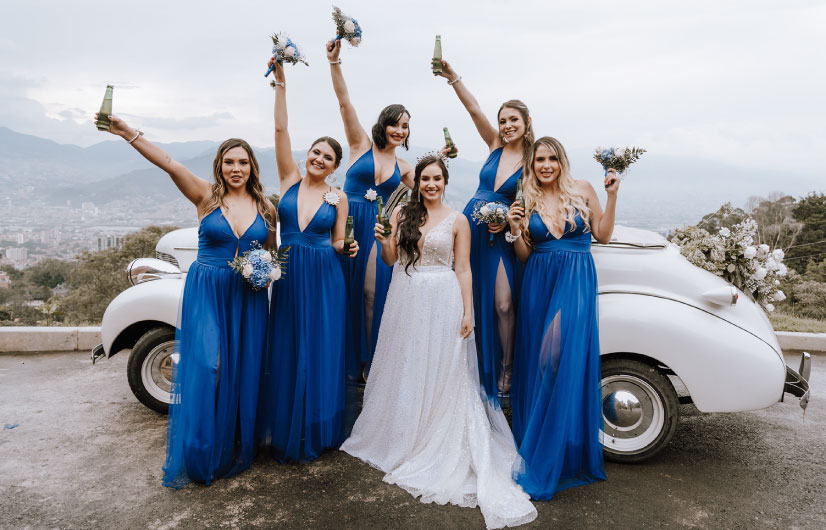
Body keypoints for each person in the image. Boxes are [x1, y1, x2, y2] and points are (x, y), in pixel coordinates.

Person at [341, 154, 538, 529]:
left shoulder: (459, 219)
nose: (430, 184)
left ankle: (437, 435)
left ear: (445, 181)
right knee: (406, 363)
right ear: (417, 183)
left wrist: (468, 312)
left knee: (443, 369)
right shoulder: (402, 214)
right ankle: (404, 433)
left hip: (443, 297)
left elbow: (462, 268)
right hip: (405, 295)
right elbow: (388, 260)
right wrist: (382, 239)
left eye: (436, 178)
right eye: (425, 179)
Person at [94, 113, 275, 487]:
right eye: (229, 162)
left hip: (247, 297)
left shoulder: (266, 208)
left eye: (242, 162)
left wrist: (265, 271)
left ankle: (238, 442)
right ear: (219, 166)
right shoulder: (206, 195)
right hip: (208, 291)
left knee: (243, 367)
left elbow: (270, 253)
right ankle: (202, 447)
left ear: (252, 166)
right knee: (209, 365)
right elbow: (168, 163)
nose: (236, 168)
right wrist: (128, 133)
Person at [255, 59, 356, 462]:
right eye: (316, 152)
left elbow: (337, 241)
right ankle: (285, 427)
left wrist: (346, 248)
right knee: (288, 346)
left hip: (326, 277)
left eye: (328, 157)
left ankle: (317, 426)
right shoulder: (288, 181)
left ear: (335, 166)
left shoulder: (339, 197)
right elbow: (280, 130)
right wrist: (281, 83)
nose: (319, 159)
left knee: (321, 347)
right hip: (290, 274)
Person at [506, 136, 618, 500]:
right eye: (540, 159)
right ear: (532, 163)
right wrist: (513, 229)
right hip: (538, 281)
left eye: (552, 158)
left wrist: (613, 195)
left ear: (562, 161)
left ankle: (558, 446)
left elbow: (601, 234)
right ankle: (544, 441)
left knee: (559, 357)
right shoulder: (525, 196)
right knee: (542, 364)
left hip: (575, 279)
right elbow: (524, 255)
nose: (546, 165)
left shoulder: (583, 189)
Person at [434, 58, 534, 398]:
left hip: (503, 237)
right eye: (503, 120)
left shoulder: (535, 162)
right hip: (471, 229)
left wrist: (509, 221)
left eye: (513, 120)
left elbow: (532, 202)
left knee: (504, 303)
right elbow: (473, 109)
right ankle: (468, 365)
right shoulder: (494, 144)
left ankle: (507, 366)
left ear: (527, 122)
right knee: (466, 298)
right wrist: (453, 78)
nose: (506, 125)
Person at [327, 38, 415, 380]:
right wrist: (335, 63)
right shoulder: (359, 145)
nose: (400, 130)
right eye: (396, 123)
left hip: (376, 231)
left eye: (406, 126)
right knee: (340, 294)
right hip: (344, 224)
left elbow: (427, 190)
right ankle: (338, 360)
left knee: (369, 294)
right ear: (384, 124)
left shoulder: (404, 166)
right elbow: (344, 103)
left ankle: (368, 360)